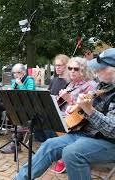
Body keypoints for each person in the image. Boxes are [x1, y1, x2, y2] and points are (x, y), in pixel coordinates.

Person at [14, 49, 115, 180]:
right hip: (86, 133)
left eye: (101, 68)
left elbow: (113, 130)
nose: (97, 71)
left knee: (72, 153)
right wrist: (78, 107)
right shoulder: (103, 86)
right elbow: (85, 109)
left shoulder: (95, 85)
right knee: (49, 144)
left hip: (108, 141)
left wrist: (90, 110)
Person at [0, 63, 36, 154]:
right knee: (8, 111)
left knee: (18, 115)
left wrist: (20, 84)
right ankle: (16, 141)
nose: (15, 75)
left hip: (29, 107)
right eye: (14, 73)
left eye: (18, 72)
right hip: (18, 106)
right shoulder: (14, 81)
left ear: (23, 72)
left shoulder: (30, 80)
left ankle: (15, 142)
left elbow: (29, 95)